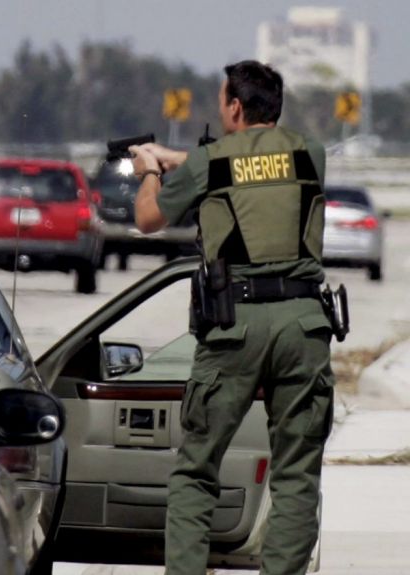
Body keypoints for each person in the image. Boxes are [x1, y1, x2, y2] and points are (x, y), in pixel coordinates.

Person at [129, 60, 332, 575]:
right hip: (305, 326)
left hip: (235, 325)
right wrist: (183, 159)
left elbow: (148, 219)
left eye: (221, 104)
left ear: (236, 107)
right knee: (296, 477)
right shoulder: (311, 153)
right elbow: (248, 167)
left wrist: (150, 171)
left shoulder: (209, 164)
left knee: (197, 472)